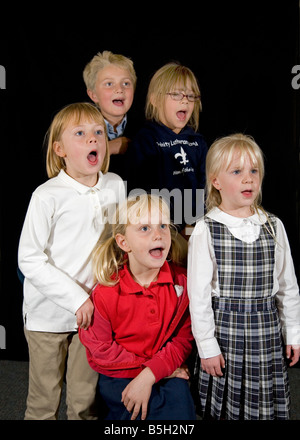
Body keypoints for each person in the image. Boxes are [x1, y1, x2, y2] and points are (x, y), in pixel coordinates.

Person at [18, 102, 125, 420]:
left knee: (84, 402)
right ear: (60, 149)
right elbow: (30, 259)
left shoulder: (115, 186)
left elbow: (117, 245)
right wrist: (78, 299)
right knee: (43, 403)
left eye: (98, 132)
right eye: (80, 133)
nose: (93, 139)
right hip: (47, 318)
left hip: (93, 319)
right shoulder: (47, 195)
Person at [187, 133, 300, 420]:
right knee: (229, 407)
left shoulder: (274, 226)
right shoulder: (206, 229)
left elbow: (288, 288)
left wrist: (293, 334)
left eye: (253, 171)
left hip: (266, 333)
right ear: (216, 181)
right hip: (226, 335)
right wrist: (207, 346)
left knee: (262, 403)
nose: (248, 179)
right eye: (237, 172)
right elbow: (198, 297)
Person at [79, 193, 196, 420]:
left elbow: (183, 340)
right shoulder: (105, 293)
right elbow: (101, 351)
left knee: (179, 403)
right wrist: (148, 372)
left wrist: (152, 373)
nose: (158, 234)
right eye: (145, 228)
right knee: (133, 410)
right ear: (124, 242)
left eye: (163, 225)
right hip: (120, 373)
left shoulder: (182, 283)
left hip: (166, 369)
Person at [124, 62, 208, 250]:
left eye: (191, 95)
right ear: (155, 99)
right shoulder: (146, 140)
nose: (185, 101)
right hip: (162, 231)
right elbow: (140, 193)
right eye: (176, 94)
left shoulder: (198, 142)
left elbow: (206, 189)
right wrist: (168, 229)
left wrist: (195, 227)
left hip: (195, 229)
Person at [83, 50, 138, 177]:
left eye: (126, 83)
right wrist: (108, 148)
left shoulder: (146, 129)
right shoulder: (81, 130)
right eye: (109, 84)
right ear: (93, 95)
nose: (119, 89)